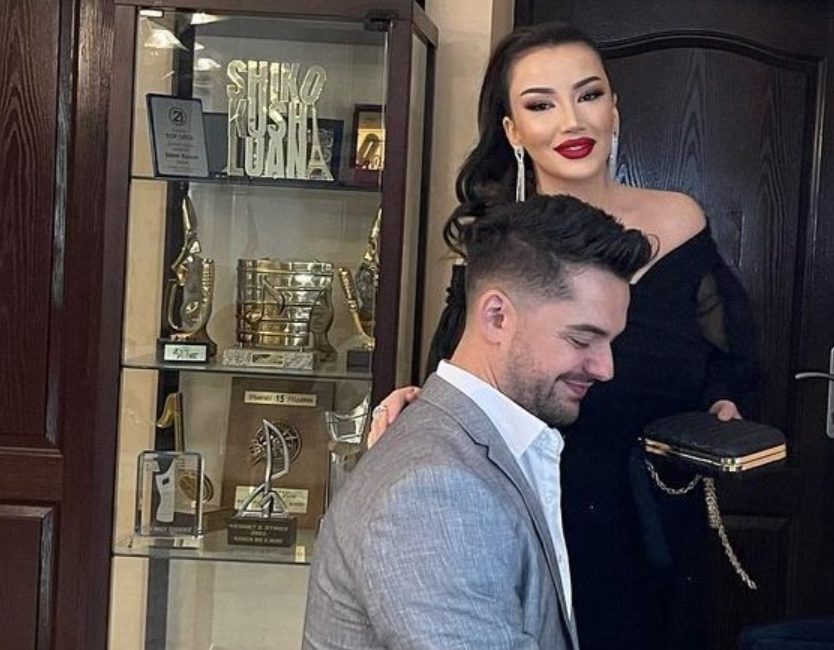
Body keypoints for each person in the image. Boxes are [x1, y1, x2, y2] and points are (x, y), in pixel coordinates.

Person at [369, 22, 756, 650]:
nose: (571, 122)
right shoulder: (496, 249)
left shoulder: (680, 222)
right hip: (535, 513)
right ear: (513, 131)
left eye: (588, 95)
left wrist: (724, 404)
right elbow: (462, 376)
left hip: (655, 520)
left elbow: (731, 355)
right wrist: (416, 400)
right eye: (541, 105)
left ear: (614, 109)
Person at [302, 194, 652, 650]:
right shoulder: (434, 490)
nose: (606, 368)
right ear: (496, 317)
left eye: (610, 342)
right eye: (582, 339)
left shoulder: (471, 446)